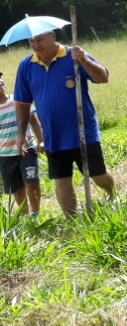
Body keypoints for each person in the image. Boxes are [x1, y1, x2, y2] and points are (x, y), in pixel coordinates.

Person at [13, 30, 116, 216]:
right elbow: (22, 103)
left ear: (52, 36)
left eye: (40, 39)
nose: (36, 45)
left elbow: (103, 77)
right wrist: (21, 133)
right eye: (31, 41)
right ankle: (72, 220)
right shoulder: (26, 66)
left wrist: (84, 60)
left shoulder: (73, 55)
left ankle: (111, 193)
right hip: (53, 135)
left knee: (97, 175)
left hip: (84, 131)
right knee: (62, 180)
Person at [0, 72, 44, 216]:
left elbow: (34, 121)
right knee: (17, 188)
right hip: (5, 154)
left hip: (27, 149)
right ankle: (24, 216)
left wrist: (41, 140)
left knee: (32, 181)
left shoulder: (19, 101)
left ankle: (35, 213)